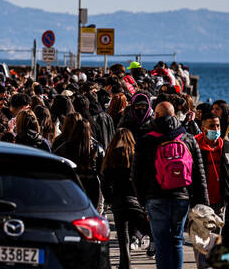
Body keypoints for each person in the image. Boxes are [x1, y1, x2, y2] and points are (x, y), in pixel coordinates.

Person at [132, 101, 209, 269]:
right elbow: (199, 172)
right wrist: (203, 201)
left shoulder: (146, 139)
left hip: (156, 198)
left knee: (161, 243)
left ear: (156, 115)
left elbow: (136, 174)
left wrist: (141, 200)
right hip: (181, 197)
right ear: (174, 115)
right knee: (177, 240)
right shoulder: (187, 137)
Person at [101, 129, 152, 269]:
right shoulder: (136, 155)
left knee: (123, 238)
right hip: (135, 200)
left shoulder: (111, 155)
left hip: (118, 201)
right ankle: (153, 243)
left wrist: (109, 199)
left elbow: (105, 181)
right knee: (145, 228)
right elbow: (143, 178)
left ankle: (125, 265)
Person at [194, 112, 227, 268]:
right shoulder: (195, 145)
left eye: (218, 126)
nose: (216, 129)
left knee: (217, 239)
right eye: (212, 126)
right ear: (203, 128)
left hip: (219, 200)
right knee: (202, 240)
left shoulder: (225, 146)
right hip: (201, 201)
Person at [60, 119, 104, 209]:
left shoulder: (66, 146)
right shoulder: (96, 147)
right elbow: (102, 170)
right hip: (92, 184)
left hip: (73, 182)